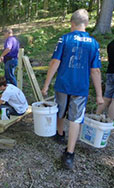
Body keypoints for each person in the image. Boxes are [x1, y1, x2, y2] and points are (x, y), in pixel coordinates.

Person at [41, 9, 104, 170]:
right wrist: (99, 95)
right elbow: (95, 70)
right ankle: (69, 154)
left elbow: (55, 62)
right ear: (87, 24)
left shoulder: (65, 39)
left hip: (63, 84)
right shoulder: (94, 43)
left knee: (60, 109)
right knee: (76, 119)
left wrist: (46, 85)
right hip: (80, 88)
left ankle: (60, 134)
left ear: (72, 23)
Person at [96, 39, 114, 120]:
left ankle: (96, 117)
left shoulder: (110, 44)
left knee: (106, 99)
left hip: (110, 72)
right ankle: (110, 125)